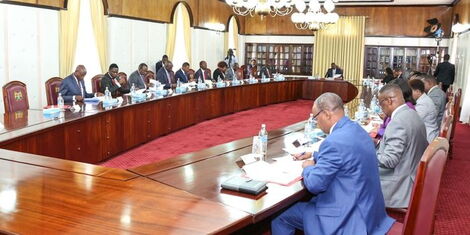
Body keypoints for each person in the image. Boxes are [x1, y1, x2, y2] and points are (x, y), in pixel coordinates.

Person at [271, 93, 394, 235]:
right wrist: (315, 156)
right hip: (369, 212)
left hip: (347, 218)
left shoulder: (333, 142)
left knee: (280, 217)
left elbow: (315, 185)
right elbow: (347, 156)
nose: (316, 123)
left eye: (316, 118)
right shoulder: (356, 129)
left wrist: (308, 167)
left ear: (327, 114)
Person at [376, 84, 428, 208]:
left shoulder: (397, 122)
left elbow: (389, 161)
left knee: (351, 176)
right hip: (410, 176)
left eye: (380, 103)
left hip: (398, 187)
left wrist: (366, 152)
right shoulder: (412, 114)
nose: (380, 108)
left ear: (388, 101)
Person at [409, 79, 439, 143]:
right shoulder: (424, 99)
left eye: (410, 92)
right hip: (426, 131)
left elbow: (413, 121)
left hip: (427, 137)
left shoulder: (423, 104)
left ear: (418, 92)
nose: (409, 95)